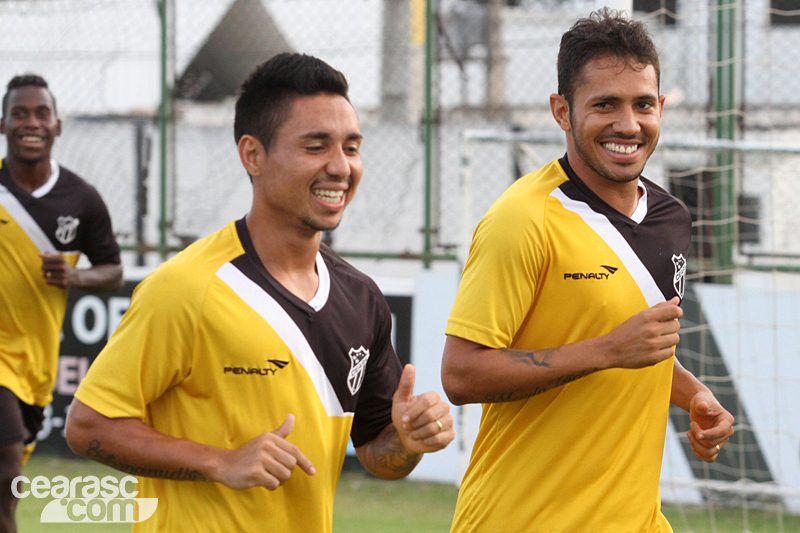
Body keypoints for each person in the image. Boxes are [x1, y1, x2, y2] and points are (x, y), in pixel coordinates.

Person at [65, 53, 455, 532]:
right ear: (253, 155)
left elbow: (379, 453)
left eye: (351, 148)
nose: (340, 167)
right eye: (316, 146)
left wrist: (410, 440)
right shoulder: (186, 288)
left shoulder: (361, 297)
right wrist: (219, 461)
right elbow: (88, 426)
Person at [441, 10, 735, 533]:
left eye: (643, 104)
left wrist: (694, 395)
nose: (628, 124)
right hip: (522, 520)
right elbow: (461, 375)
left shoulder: (670, 219)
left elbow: (639, 349)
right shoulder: (522, 219)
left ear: (661, 107)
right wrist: (606, 351)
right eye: (605, 105)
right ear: (561, 110)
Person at [0, 74, 123, 532]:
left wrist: (75, 276)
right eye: (19, 113)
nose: (30, 122)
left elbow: (111, 269)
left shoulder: (81, 199)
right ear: (2, 124)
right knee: (6, 469)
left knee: (7, 487)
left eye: (41, 113)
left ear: (58, 126)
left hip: (35, 367)